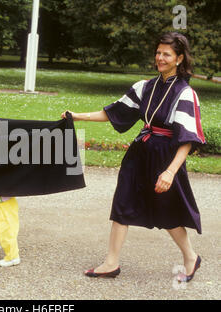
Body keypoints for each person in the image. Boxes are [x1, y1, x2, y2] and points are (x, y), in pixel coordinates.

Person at [61, 32, 205, 282]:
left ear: (179, 58)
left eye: (166, 54)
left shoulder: (185, 93)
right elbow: (113, 112)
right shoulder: (144, 87)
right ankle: (111, 263)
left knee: (167, 212)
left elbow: (188, 140)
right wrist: (78, 116)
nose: (160, 58)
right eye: (158, 52)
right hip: (139, 153)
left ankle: (191, 257)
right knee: (122, 203)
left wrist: (170, 172)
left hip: (165, 157)